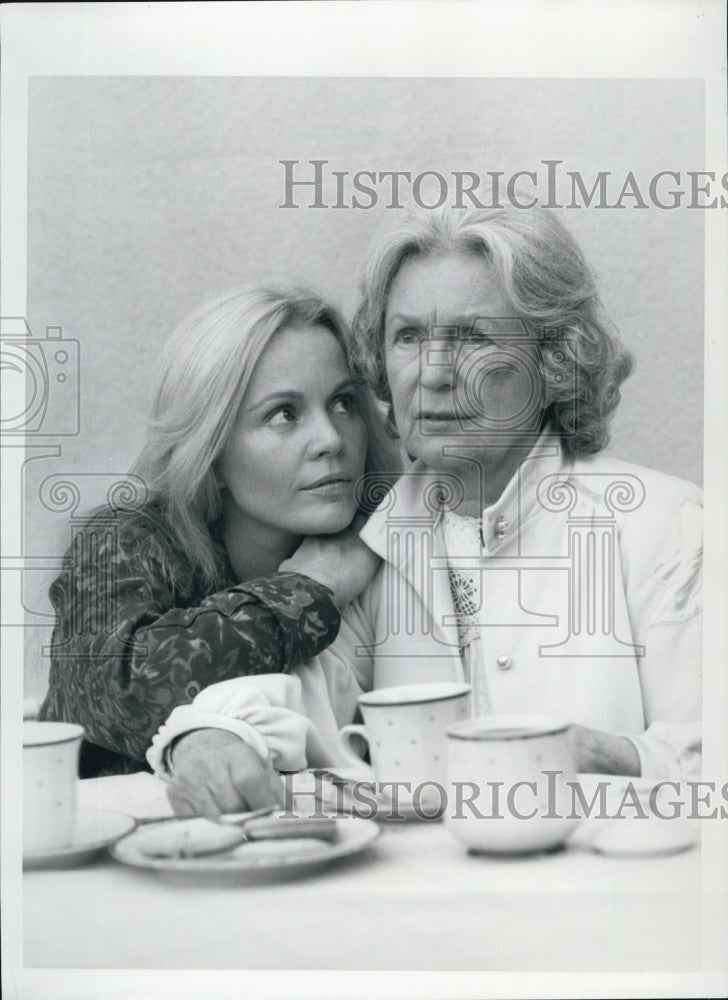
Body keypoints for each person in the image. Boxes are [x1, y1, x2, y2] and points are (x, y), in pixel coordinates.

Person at [149, 206, 702, 814]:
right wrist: (212, 735)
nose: (433, 374)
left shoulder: (667, 526)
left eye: (473, 337)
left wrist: (594, 753)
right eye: (409, 336)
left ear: (554, 360)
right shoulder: (371, 541)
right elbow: (292, 699)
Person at [38, 287, 385, 789]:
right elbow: (122, 693)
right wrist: (308, 590)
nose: (331, 440)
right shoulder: (125, 540)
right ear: (210, 449)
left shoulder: (381, 542)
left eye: (343, 403)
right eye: (284, 414)